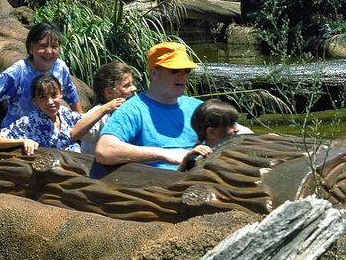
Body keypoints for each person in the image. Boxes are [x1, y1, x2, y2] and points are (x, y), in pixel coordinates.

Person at [93, 42, 203, 171]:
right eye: (175, 71)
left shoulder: (200, 108)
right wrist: (163, 154)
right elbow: (104, 151)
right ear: (154, 73)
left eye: (187, 70)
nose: (182, 76)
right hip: (154, 186)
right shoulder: (132, 110)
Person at [0, 21, 83, 147]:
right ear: (31, 48)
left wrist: (82, 124)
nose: (49, 52)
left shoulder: (60, 67)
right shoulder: (19, 71)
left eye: (54, 47)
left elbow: (72, 96)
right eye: (43, 46)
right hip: (19, 135)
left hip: (51, 133)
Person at [0, 73, 95, 154]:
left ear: (61, 94)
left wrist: (106, 108)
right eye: (43, 98)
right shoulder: (30, 122)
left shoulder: (65, 113)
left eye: (53, 95)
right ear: (35, 100)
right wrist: (22, 141)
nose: (50, 102)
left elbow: (85, 119)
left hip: (76, 163)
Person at [78, 61, 137, 155]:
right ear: (109, 92)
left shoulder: (131, 110)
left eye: (132, 83)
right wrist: (105, 109)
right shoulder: (100, 112)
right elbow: (78, 133)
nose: (134, 88)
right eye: (126, 85)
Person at [178, 98, 242, 171]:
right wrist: (186, 158)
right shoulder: (199, 159)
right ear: (211, 132)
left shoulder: (236, 149)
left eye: (234, 124)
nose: (237, 130)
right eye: (231, 125)